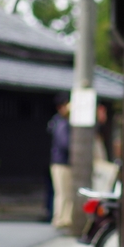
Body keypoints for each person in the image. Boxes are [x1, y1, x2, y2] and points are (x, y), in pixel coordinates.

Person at [47, 92, 72, 230]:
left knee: (64, 192)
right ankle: (60, 219)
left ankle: (64, 218)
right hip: (61, 162)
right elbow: (64, 143)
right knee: (63, 192)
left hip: (60, 162)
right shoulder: (61, 122)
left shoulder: (59, 121)